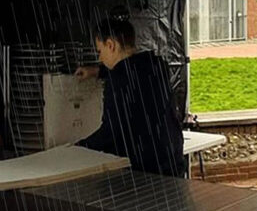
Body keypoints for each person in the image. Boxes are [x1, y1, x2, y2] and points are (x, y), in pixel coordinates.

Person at [73, 17, 185, 177]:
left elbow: (111, 132)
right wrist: (97, 71)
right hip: (172, 158)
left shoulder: (118, 81)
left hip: (146, 169)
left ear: (111, 45)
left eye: (100, 51)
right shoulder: (156, 66)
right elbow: (133, 71)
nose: (100, 59)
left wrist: (80, 147)